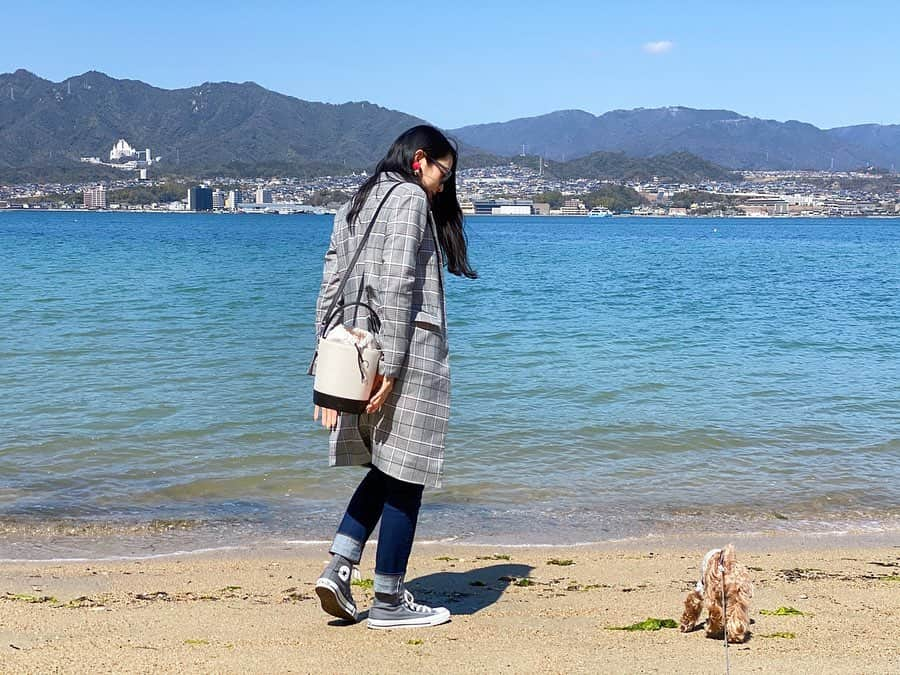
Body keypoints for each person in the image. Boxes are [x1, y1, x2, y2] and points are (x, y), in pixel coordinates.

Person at [312, 125, 477, 629]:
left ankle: (340, 568)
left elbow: (331, 280)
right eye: (443, 175)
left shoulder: (356, 201)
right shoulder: (408, 198)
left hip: (355, 351)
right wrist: (394, 361)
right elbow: (399, 283)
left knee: (387, 468)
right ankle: (387, 600)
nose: (443, 187)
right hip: (398, 352)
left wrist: (324, 361)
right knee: (409, 471)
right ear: (420, 159)